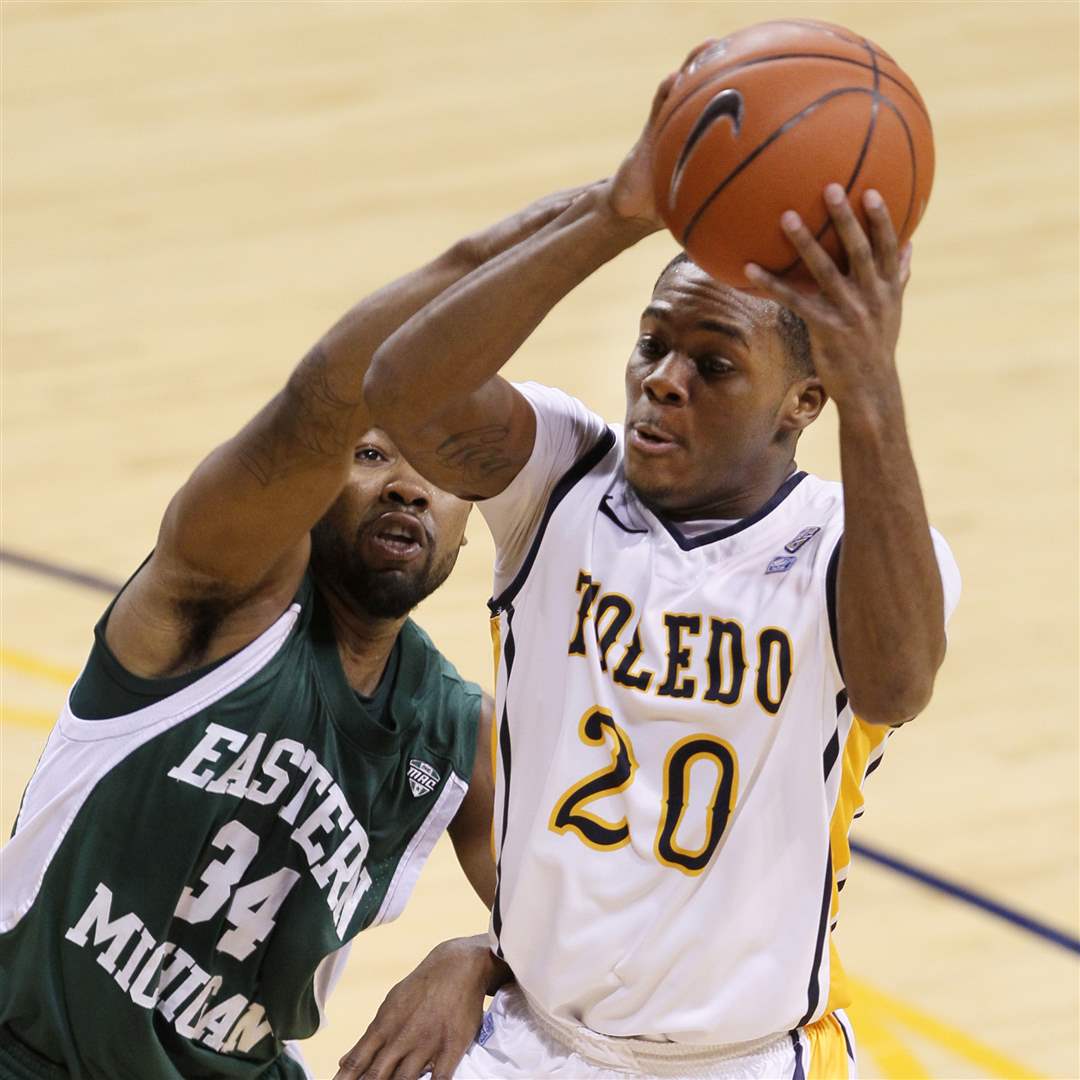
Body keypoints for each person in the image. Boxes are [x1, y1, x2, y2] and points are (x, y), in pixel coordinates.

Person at [352, 49, 962, 1080]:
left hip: (746, 1059)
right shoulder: (562, 477)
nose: (661, 382)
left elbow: (897, 684)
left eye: (712, 364)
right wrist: (618, 212)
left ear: (803, 403)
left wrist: (876, 390)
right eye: (651, 345)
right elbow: (402, 389)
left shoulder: (859, 546)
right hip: (531, 1042)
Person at [0, 190, 597, 1079]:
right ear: (319, 477)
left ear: (473, 518)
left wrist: (475, 955)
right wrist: (607, 213)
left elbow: (595, 947)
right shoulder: (220, 590)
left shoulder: (453, 736)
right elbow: (324, 390)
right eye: (370, 455)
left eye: (435, 469)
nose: (405, 485)